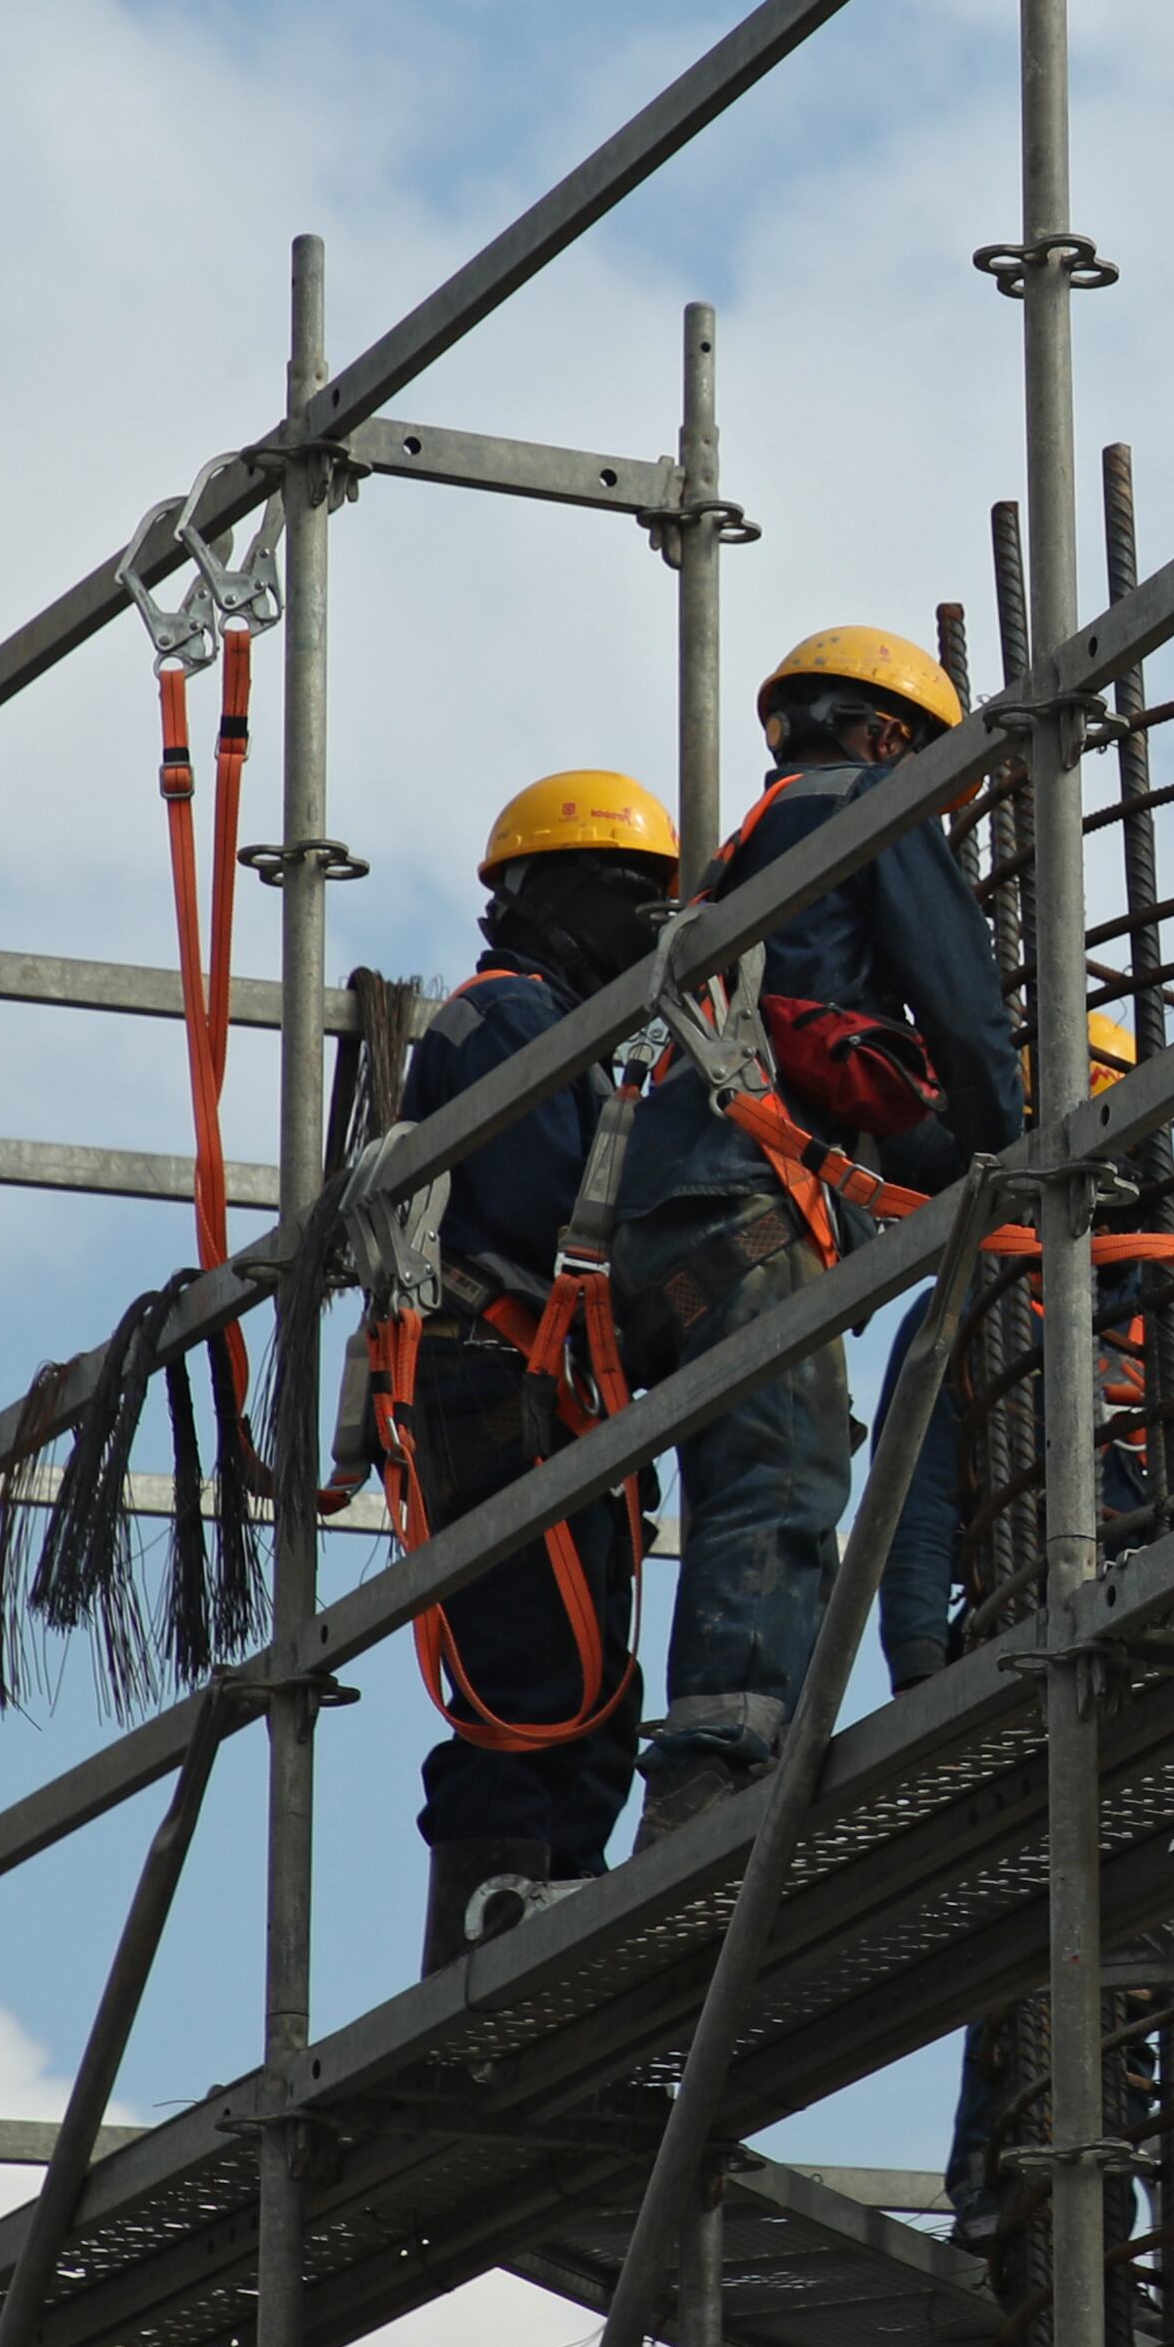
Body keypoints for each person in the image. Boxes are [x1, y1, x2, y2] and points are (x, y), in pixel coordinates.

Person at [902, 1012, 1174, 2243]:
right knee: (1033, 1929)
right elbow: (920, 1510)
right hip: (1025, 1652)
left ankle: (1122, 2202)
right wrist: (921, 1669)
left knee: (1146, 1932)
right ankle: (1006, 2179)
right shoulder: (980, 1309)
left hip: (1166, 1663)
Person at [617, 624, 1023, 1841]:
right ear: (889, 734)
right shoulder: (869, 803)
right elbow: (957, 1006)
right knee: (783, 1469)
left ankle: (707, 1753)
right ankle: (716, 1771)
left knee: (735, 1468)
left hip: (655, 1218)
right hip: (748, 1201)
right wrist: (1019, 1146)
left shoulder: (738, 862)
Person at [376, 770, 680, 1968]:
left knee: (594, 1687)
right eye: (631, 899)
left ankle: (557, 1923)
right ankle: (487, 1951)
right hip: (495, 1378)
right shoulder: (505, 1019)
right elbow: (553, 1209)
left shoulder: (567, 1028)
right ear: (546, 893)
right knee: (530, 1678)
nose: (646, 928)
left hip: (545, 1391)